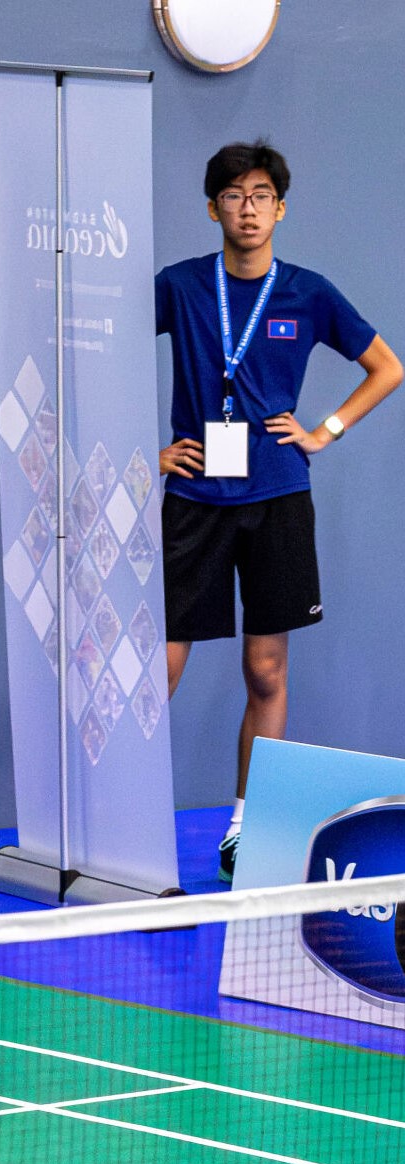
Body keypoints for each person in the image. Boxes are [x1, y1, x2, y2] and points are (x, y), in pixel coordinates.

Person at [155, 142, 402, 883]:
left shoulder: (307, 291)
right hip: (194, 500)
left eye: (262, 194)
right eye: (233, 195)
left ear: (281, 208)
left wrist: (323, 430)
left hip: (278, 498)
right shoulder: (180, 286)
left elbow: (387, 367)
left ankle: (244, 827)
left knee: (265, 668)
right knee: (156, 670)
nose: (249, 207)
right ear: (212, 209)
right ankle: (122, 821)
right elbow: (92, 349)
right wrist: (149, 454)